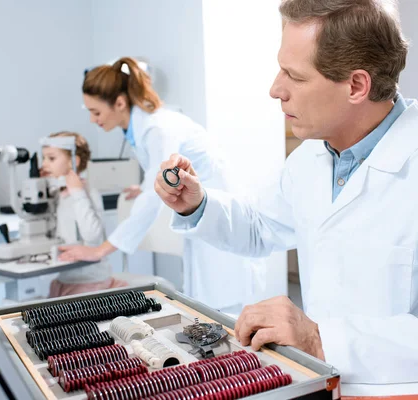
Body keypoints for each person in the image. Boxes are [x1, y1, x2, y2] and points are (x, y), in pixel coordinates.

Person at [154, 0, 418, 384]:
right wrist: (197, 203)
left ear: (356, 85)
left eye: (294, 76)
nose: (275, 89)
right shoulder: (312, 158)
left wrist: (319, 339)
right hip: (324, 381)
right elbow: (259, 228)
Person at [58, 57, 263, 313]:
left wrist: (100, 250)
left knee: (224, 299)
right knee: (208, 300)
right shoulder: (141, 128)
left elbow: (152, 200)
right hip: (202, 211)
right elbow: (159, 173)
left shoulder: (157, 128)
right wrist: (145, 185)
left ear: (120, 103)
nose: (92, 120)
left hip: (218, 211)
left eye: (96, 112)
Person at [40, 131, 126, 297]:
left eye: (51, 158)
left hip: (90, 282)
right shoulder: (59, 194)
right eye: (43, 158)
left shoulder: (86, 193)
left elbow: (93, 236)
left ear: (74, 161)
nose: (44, 164)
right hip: (65, 279)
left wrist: (77, 192)